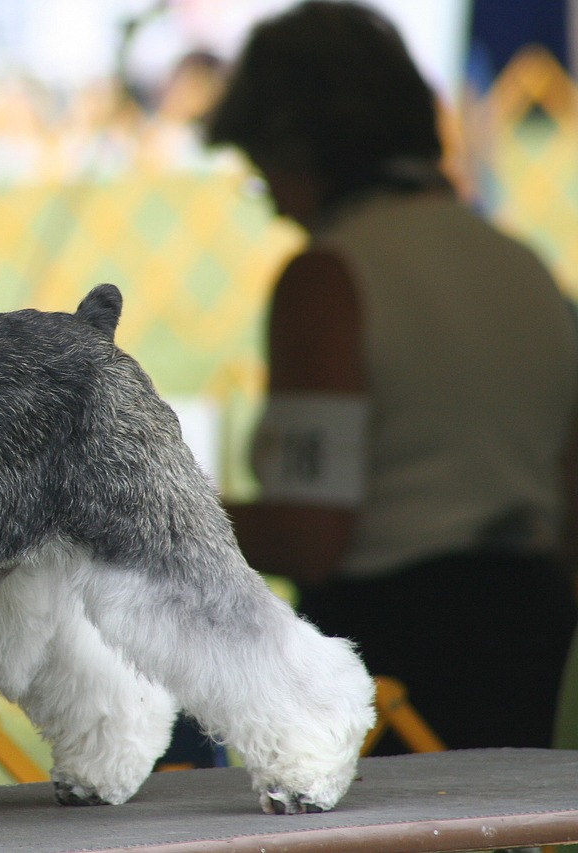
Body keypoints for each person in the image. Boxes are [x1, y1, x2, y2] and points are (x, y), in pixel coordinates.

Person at [208, 0, 578, 752]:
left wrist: (155, 516)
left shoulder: (329, 280)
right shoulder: (527, 266)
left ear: (297, 151)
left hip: (400, 666)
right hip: (541, 650)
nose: (273, 204)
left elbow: (312, 536)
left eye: (261, 172)